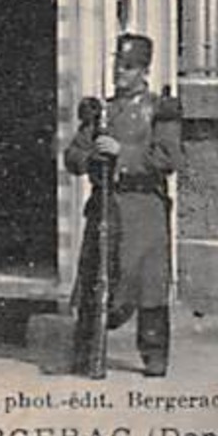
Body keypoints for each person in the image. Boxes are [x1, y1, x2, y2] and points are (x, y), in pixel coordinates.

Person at [65, 33, 183, 377]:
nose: (120, 72)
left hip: (144, 208)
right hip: (105, 207)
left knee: (149, 282)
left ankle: (154, 354)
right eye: (118, 64)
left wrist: (123, 154)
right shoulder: (101, 110)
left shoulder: (160, 111)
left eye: (129, 67)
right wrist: (91, 157)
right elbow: (73, 155)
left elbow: (169, 157)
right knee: (95, 278)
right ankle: (88, 353)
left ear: (144, 71)